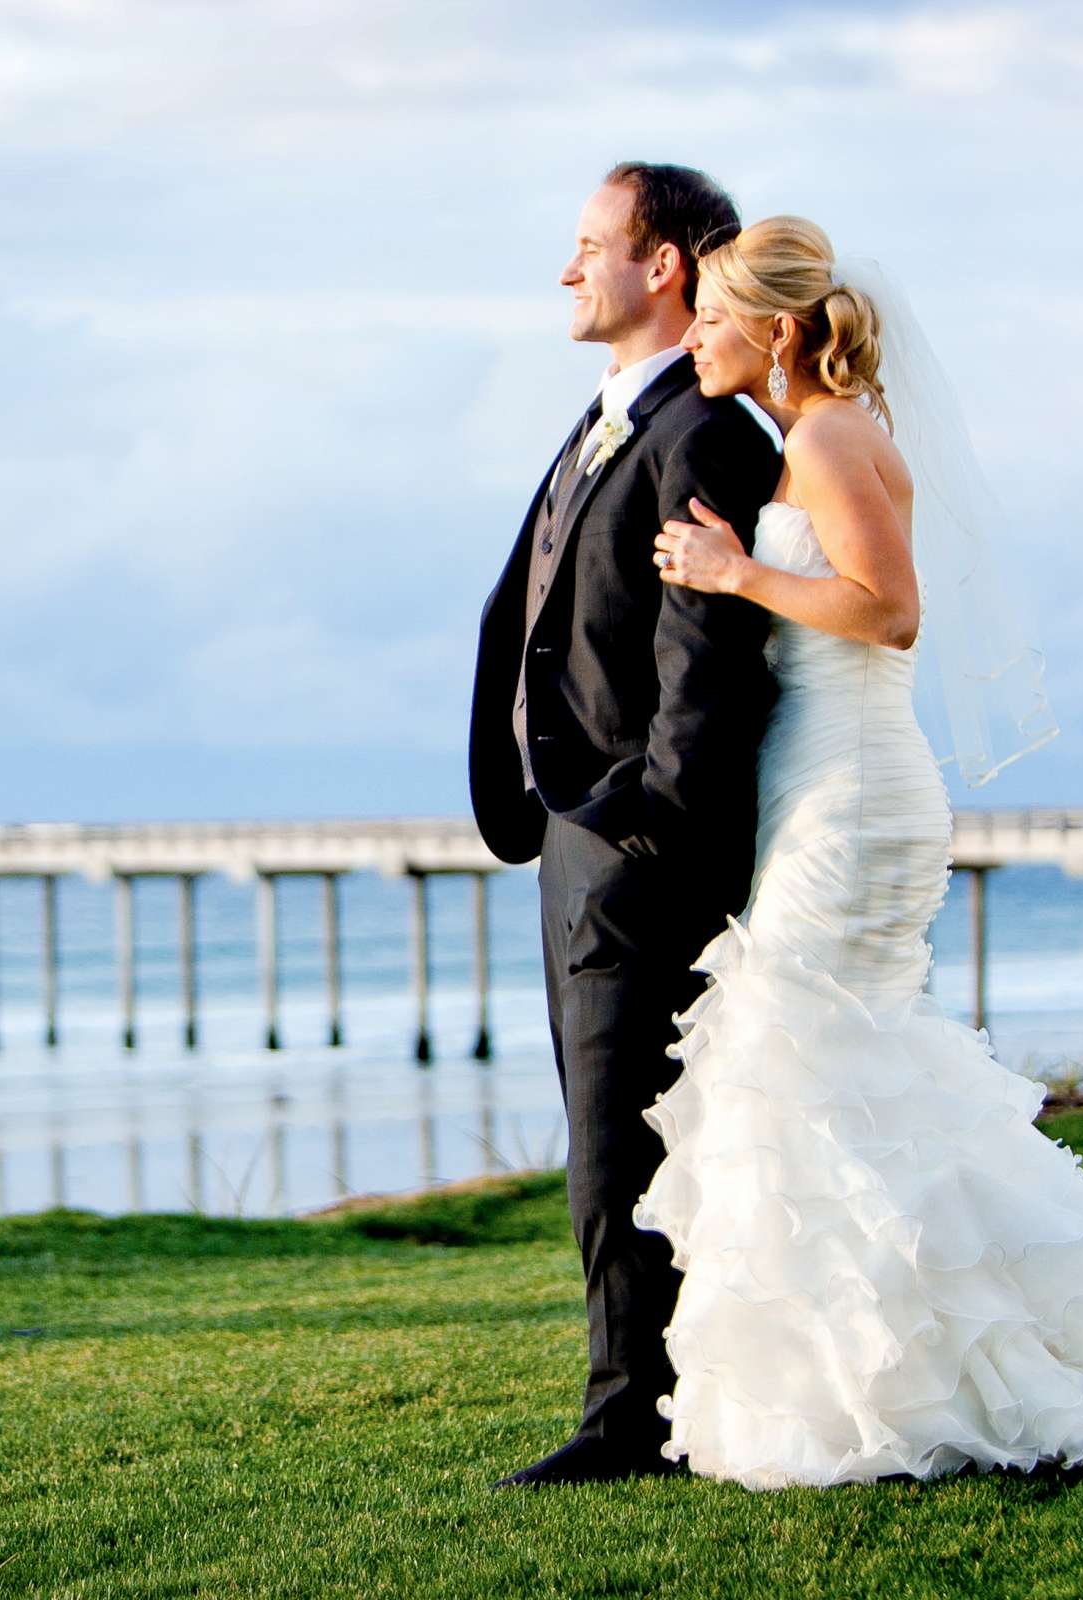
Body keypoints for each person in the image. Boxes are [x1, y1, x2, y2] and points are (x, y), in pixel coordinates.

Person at [634, 215, 1083, 1489]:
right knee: (838, 1068)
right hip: (826, 779)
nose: (691, 334)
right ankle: (889, 1379)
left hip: (855, 790)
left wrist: (736, 573)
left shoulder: (832, 435)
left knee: (800, 1053)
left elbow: (891, 612)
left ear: (779, 331)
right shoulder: (819, 433)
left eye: (713, 317)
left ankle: (924, 1384)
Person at [467, 160, 784, 1486]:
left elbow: (706, 656)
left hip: (636, 846)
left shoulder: (704, 435)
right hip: (578, 837)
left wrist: (645, 814)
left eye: (588, 244)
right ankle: (651, 1398)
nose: (566, 267)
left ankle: (631, 1420)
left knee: (621, 1141)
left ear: (662, 266)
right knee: (610, 1132)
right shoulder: (610, 419)